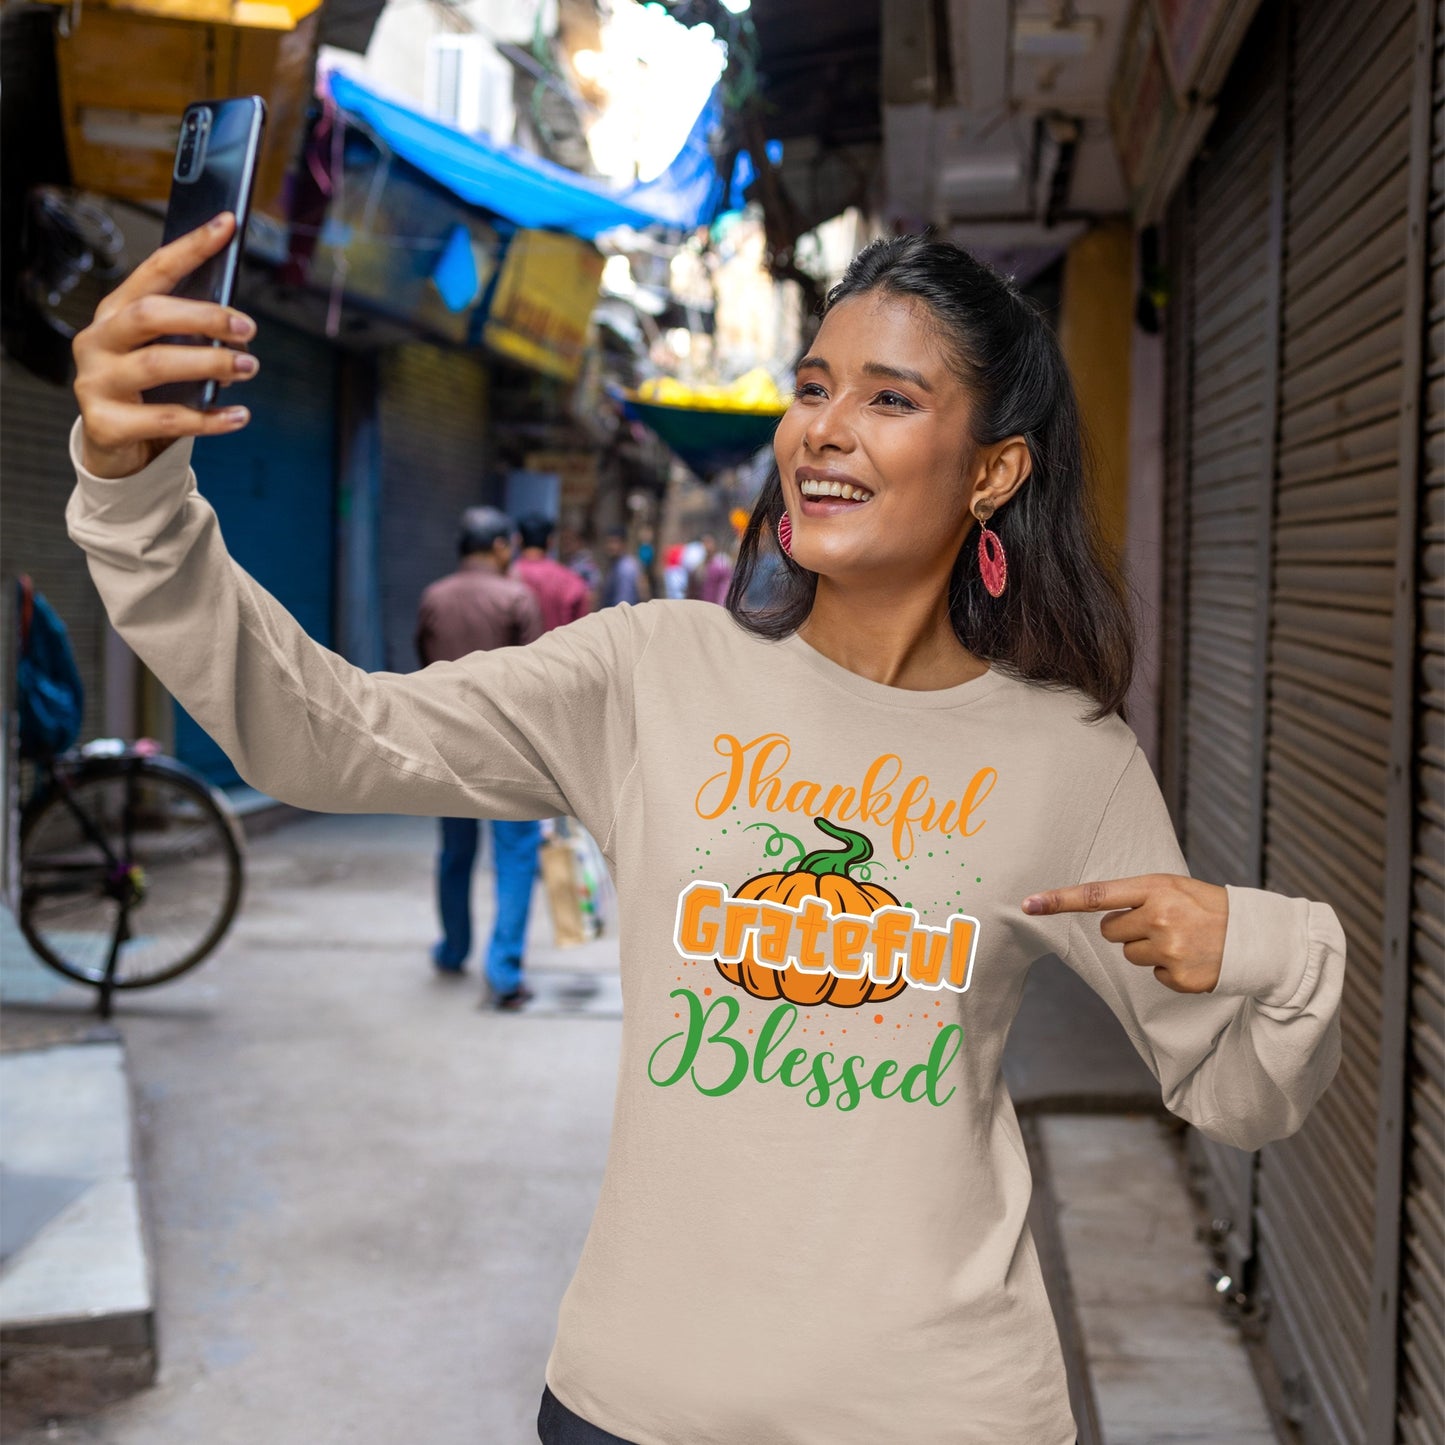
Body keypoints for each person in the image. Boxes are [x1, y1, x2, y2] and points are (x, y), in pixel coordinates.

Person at [68, 216, 1346, 1445]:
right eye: (811, 386)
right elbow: (323, 733)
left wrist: (1274, 947)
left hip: (939, 1412)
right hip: (637, 1403)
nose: (823, 433)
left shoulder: (1066, 759)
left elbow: (1231, 1092)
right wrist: (139, 507)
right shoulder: (649, 670)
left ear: (995, 469)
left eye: (888, 399)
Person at [415, 506, 543, 1009]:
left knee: (455, 854)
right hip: (509, 751)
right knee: (515, 856)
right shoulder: (516, 597)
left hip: (447, 745)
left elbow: (423, 668)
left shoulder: (433, 598)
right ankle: (505, 971)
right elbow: (540, 682)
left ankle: (452, 950)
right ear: (498, 547)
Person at [512, 513, 591, 632]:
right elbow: (582, 630)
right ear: (550, 541)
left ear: (518, 540)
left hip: (511, 651)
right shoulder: (571, 580)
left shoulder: (505, 577)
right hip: (558, 650)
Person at [599, 528, 646, 607]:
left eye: (614, 542)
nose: (611, 546)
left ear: (623, 544)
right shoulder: (614, 565)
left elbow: (624, 601)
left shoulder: (627, 567)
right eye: (608, 542)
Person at [685, 531, 734, 605]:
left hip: (716, 605)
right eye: (704, 543)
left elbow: (725, 588)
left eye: (708, 542)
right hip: (701, 604)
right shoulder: (699, 565)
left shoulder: (721, 563)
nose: (706, 546)